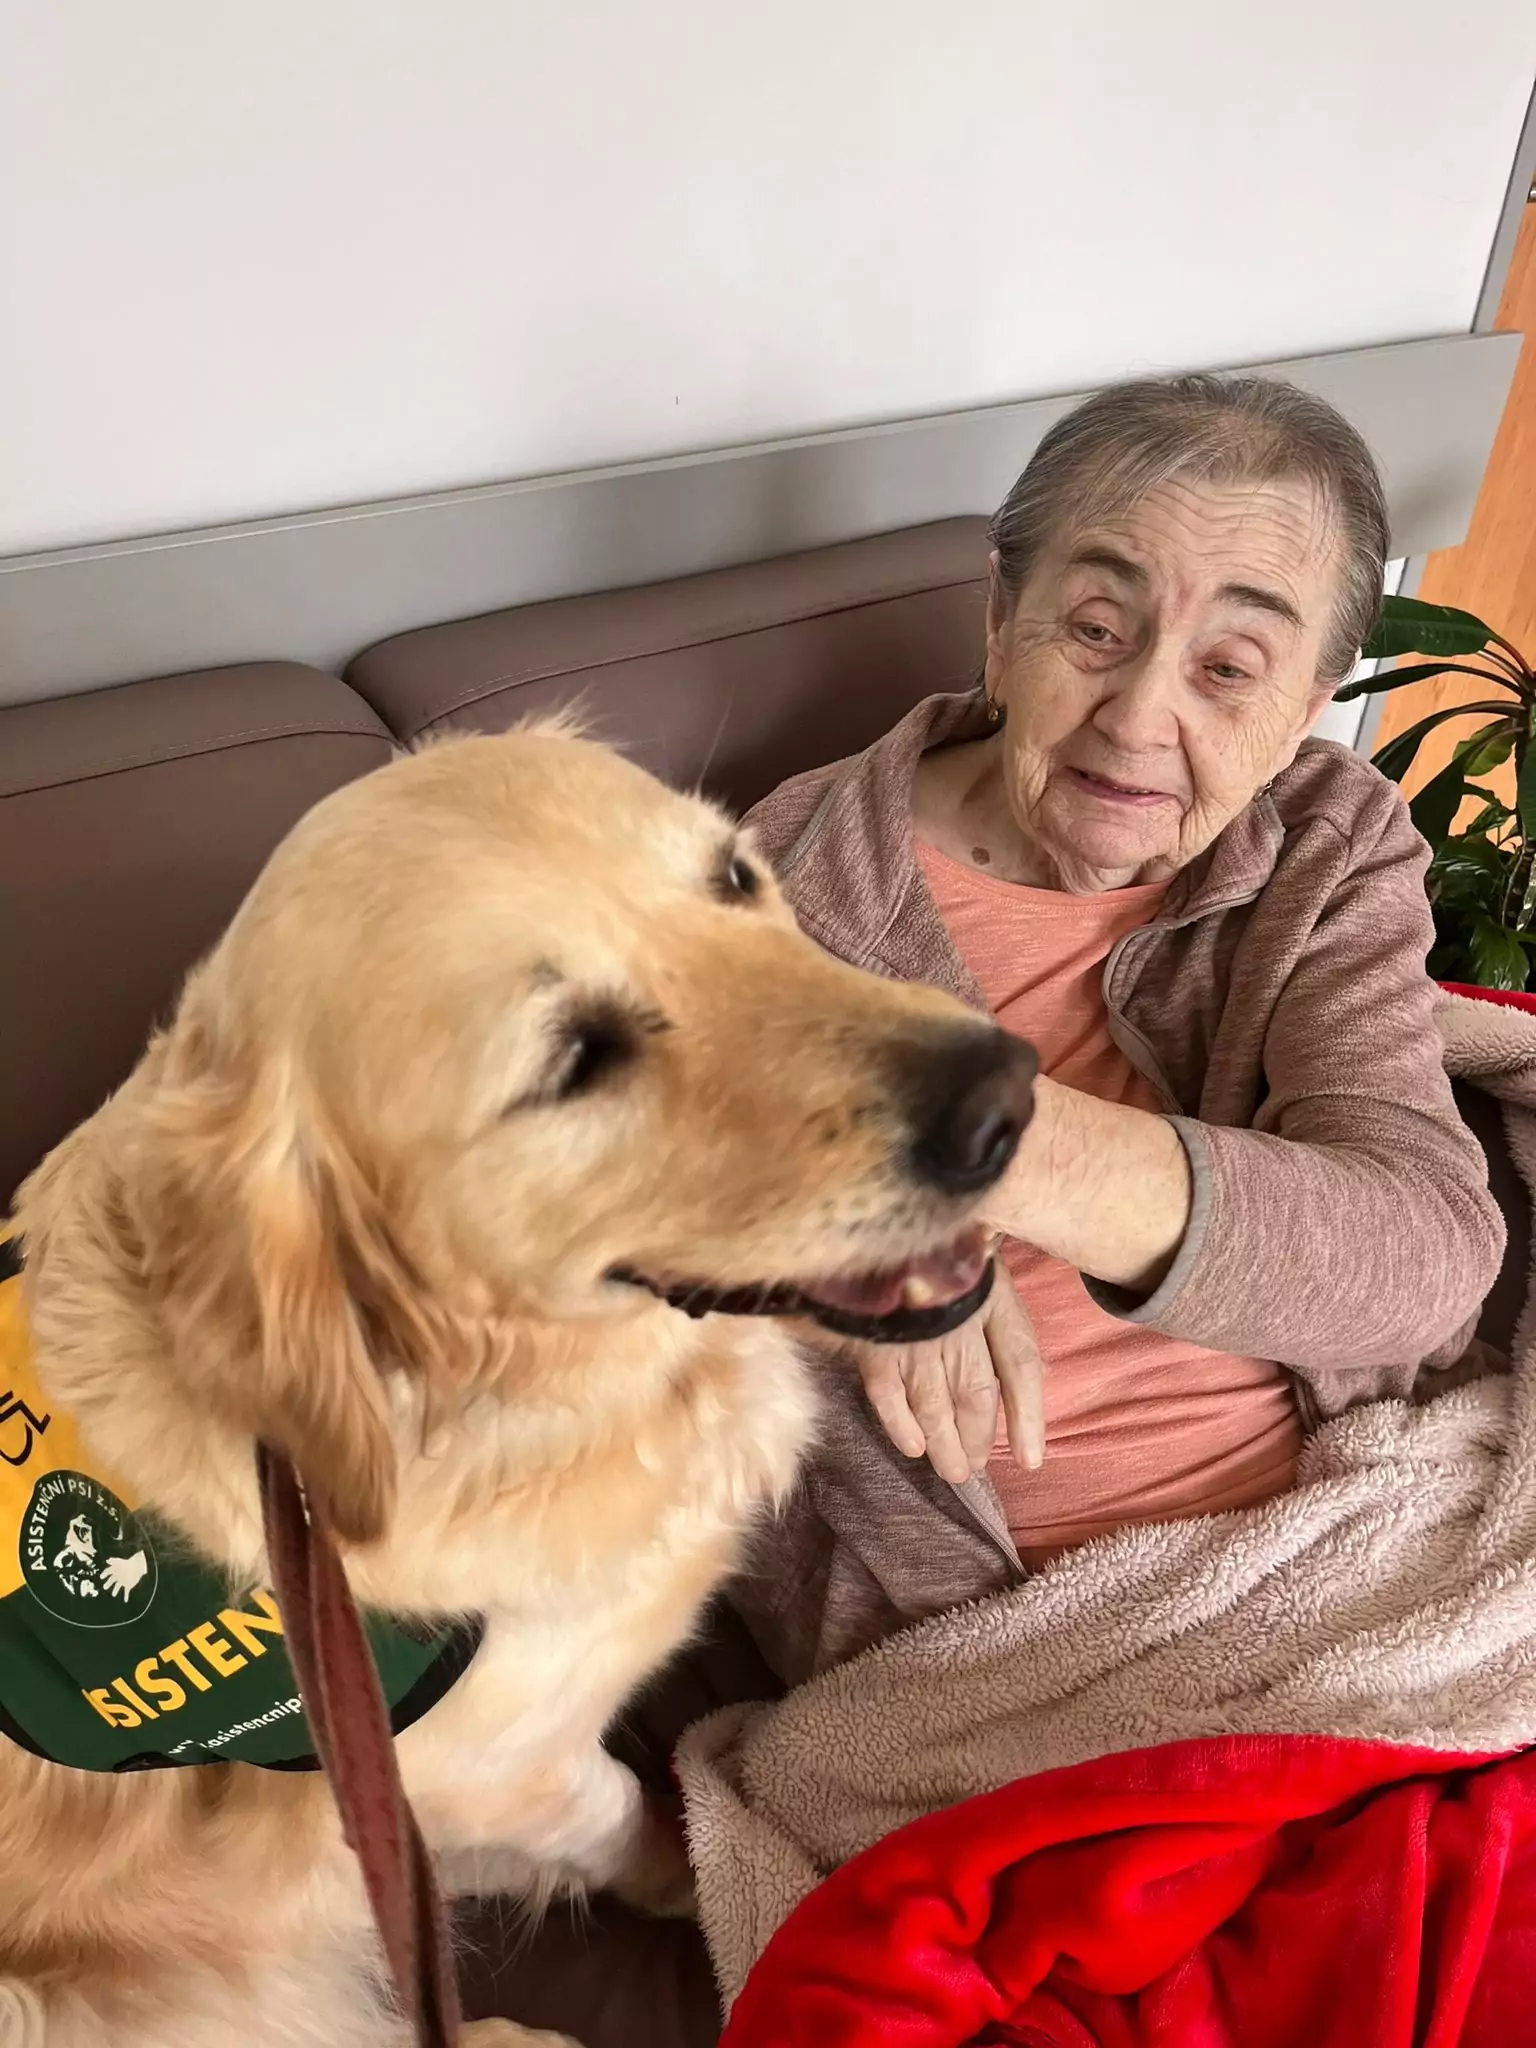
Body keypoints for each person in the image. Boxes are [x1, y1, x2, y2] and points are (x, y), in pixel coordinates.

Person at [733, 372, 1506, 1683]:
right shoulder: (780, 886)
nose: (1141, 717)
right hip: (992, 1647)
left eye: (1229, 670)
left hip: (1375, 1539)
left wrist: (961, 1148)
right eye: (1096, 630)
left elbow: (1419, 1263)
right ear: (1000, 627)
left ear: (1307, 706)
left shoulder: (1324, 841)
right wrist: (840, 1247)